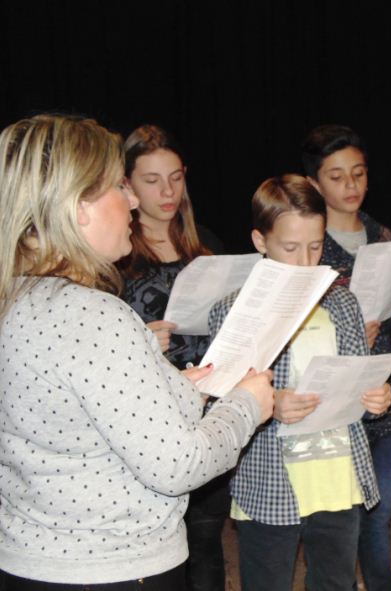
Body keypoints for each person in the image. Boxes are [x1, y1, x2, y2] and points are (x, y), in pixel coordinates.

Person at [0, 115, 274, 589]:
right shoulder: (94, 316)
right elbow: (179, 465)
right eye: (117, 186)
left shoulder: (16, 298)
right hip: (115, 567)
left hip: (29, 559)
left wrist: (175, 386)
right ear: (78, 207)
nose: (131, 201)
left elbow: (72, 419)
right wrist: (246, 404)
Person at [208, 174, 391, 591]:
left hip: (337, 479)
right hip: (269, 480)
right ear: (260, 241)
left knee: (335, 583)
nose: (306, 262)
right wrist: (269, 404)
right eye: (290, 248)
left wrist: (374, 398)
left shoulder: (341, 302)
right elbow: (217, 407)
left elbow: (357, 384)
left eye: (315, 246)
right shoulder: (234, 312)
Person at [301, 125, 391, 591]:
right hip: (335, 404)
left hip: (383, 397)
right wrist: (346, 333)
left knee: (380, 511)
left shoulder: (381, 234)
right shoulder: (308, 245)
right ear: (314, 183)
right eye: (336, 177)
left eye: (359, 173)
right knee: (340, 519)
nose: (351, 186)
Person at [118, 124, 230, 591]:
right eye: (152, 180)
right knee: (159, 548)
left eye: (176, 177)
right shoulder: (116, 256)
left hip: (209, 408)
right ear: (126, 185)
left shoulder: (205, 243)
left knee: (207, 539)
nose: (167, 192)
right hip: (151, 419)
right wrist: (140, 339)